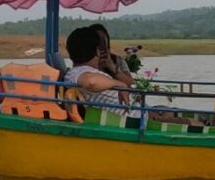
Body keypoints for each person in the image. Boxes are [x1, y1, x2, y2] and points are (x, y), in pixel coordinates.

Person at [65, 27, 198, 126]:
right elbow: (91, 81)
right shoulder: (79, 73)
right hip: (140, 123)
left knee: (174, 113)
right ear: (97, 52)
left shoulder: (78, 72)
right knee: (197, 124)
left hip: (141, 114)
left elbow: (131, 83)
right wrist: (119, 84)